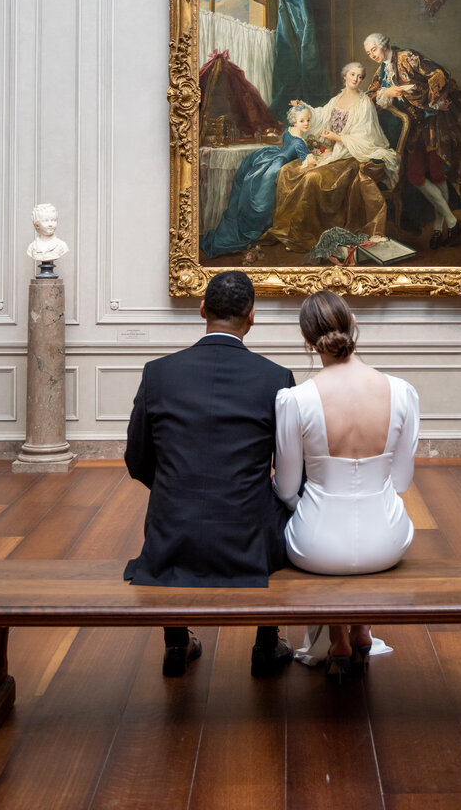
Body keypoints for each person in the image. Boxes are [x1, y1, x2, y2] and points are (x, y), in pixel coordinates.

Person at [124, 270, 296, 678]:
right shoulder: (275, 379)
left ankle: (177, 643)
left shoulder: (158, 373)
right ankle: (266, 646)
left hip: (173, 533)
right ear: (251, 317)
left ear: (202, 310)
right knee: (280, 505)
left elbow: (137, 458)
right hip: (247, 535)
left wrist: (177, 486)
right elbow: (290, 470)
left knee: (169, 502)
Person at [272, 290, 419, 678]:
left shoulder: (294, 399)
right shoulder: (402, 391)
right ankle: (361, 631)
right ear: (356, 326)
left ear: (307, 341)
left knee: (308, 521)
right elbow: (401, 481)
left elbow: (286, 488)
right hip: (387, 542)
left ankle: (337, 639)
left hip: (314, 547)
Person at [266, 62, 398, 253]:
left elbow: (366, 138)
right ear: (345, 76)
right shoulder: (338, 98)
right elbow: (320, 116)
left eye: (360, 76)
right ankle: (288, 230)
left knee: (313, 177)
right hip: (330, 152)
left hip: (350, 157)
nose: (356, 79)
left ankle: (308, 235)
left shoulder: (364, 103)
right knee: (287, 170)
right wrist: (304, 108)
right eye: (352, 74)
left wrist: (337, 138)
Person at [364, 32, 461, 248]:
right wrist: (387, 91)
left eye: (374, 49)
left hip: (434, 123)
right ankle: (452, 222)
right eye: (368, 52)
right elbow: (370, 96)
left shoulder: (407, 57)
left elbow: (439, 74)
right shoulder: (382, 69)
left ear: (383, 45)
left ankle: (440, 229)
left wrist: (425, 99)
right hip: (412, 130)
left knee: (437, 174)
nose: (372, 55)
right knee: (416, 176)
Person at [200, 103, 316, 258]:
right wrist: (314, 157)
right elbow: (308, 161)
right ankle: (251, 233)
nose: (306, 123)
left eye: (308, 120)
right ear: (294, 122)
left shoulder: (289, 131)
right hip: (276, 166)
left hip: (272, 156)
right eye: (302, 121)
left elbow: (288, 145)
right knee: (262, 202)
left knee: (254, 191)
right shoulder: (300, 142)